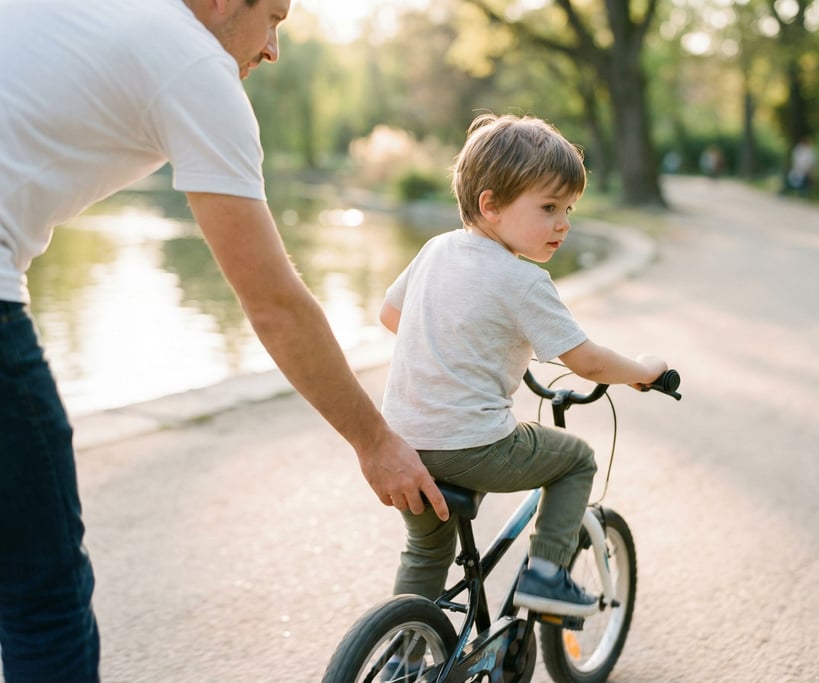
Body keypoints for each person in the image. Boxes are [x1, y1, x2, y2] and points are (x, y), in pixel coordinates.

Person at [0, 1, 446, 680]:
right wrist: (375, 440)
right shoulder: (193, 62)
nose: (273, 49)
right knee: (43, 595)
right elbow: (274, 306)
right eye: (272, 16)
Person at [379, 114, 667, 632]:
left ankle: (404, 649)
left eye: (569, 209)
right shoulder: (522, 279)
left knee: (426, 552)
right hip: (471, 445)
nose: (564, 223)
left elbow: (391, 316)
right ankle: (546, 575)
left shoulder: (435, 249)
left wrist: (456, 351)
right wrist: (643, 370)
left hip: (402, 442)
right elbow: (588, 361)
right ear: (490, 205)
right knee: (575, 459)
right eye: (549, 207)